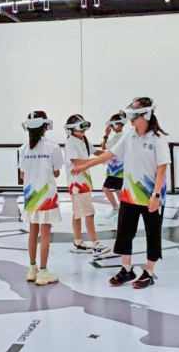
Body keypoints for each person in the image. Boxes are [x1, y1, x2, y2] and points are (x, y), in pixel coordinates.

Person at [73, 97, 170, 289]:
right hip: (129, 195)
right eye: (130, 116)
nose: (131, 120)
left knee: (152, 235)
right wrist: (85, 165)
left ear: (147, 115)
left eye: (135, 116)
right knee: (125, 233)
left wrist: (156, 195)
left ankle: (149, 273)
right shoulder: (129, 135)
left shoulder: (157, 138)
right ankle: (126, 269)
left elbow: (162, 167)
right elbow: (110, 154)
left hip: (151, 196)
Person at [19, 111, 64, 286]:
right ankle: (43, 272)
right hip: (47, 197)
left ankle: (32, 269)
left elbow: (22, 175)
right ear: (45, 126)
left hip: (31, 196)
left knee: (32, 232)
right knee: (45, 233)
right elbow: (57, 172)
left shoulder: (23, 149)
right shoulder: (53, 147)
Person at [64, 114, 110, 255]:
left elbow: (95, 152)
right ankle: (95, 244)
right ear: (71, 129)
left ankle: (78, 242)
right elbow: (77, 162)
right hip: (77, 184)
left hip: (84, 182)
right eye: (80, 129)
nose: (83, 131)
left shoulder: (82, 139)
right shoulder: (70, 142)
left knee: (78, 213)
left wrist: (110, 154)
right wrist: (99, 160)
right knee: (89, 213)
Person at [101, 114, 126, 219]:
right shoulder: (119, 136)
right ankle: (118, 208)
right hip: (114, 168)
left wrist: (106, 136)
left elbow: (104, 147)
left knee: (114, 189)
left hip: (118, 168)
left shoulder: (119, 137)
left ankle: (121, 208)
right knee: (112, 188)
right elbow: (104, 147)